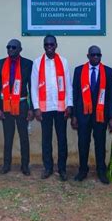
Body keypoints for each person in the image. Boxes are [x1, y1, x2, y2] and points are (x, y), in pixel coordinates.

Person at [72, 45, 112, 184]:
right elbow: (75, 94)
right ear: (88, 56)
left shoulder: (108, 72)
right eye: (93, 55)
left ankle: (101, 171)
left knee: (100, 143)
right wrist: (74, 115)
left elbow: (111, 96)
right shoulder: (79, 71)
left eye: (98, 55)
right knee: (83, 143)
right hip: (83, 114)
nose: (96, 57)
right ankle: (82, 170)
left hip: (100, 115)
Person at [31, 35, 73, 181]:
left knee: (62, 139)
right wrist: (36, 107)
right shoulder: (37, 63)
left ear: (56, 45)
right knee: (46, 139)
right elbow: (34, 87)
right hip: (45, 108)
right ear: (44, 46)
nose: (49, 47)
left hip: (61, 107)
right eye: (46, 45)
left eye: (51, 44)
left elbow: (68, 85)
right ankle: (48, 168)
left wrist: (69, 104)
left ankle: (62, 169)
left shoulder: (64, 61)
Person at [0, 39, 33, 175]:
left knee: (24, 137)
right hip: (5, 105)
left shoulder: (28, 64)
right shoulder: (0, 63)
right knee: (8, 137)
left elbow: (31, 87)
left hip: (22, 105)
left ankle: (25, 166)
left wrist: (31, 108)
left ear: (20, 49)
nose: (10, 49)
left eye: (14, 47)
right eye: (8, 47)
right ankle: (6, 165)